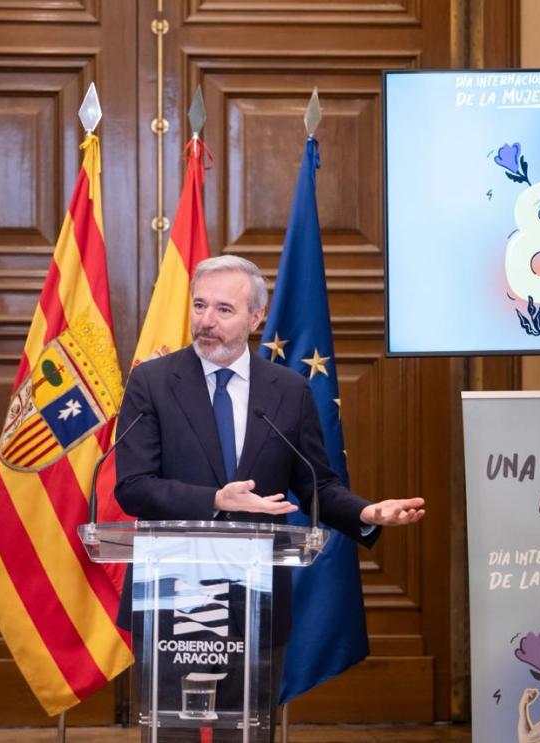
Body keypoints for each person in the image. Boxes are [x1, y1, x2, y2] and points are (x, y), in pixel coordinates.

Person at [114, 255, 424, 742]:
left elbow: (317, 486)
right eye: (199, 306)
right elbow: (133, 487)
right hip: (172, 587)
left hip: (252, 591)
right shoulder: (153, 383)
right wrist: (218, 498)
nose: (206, 321)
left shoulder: (289, 392)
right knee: (174, 731)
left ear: (256, 318)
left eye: (223, 309)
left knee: (249, 731)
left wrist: (365, 511)